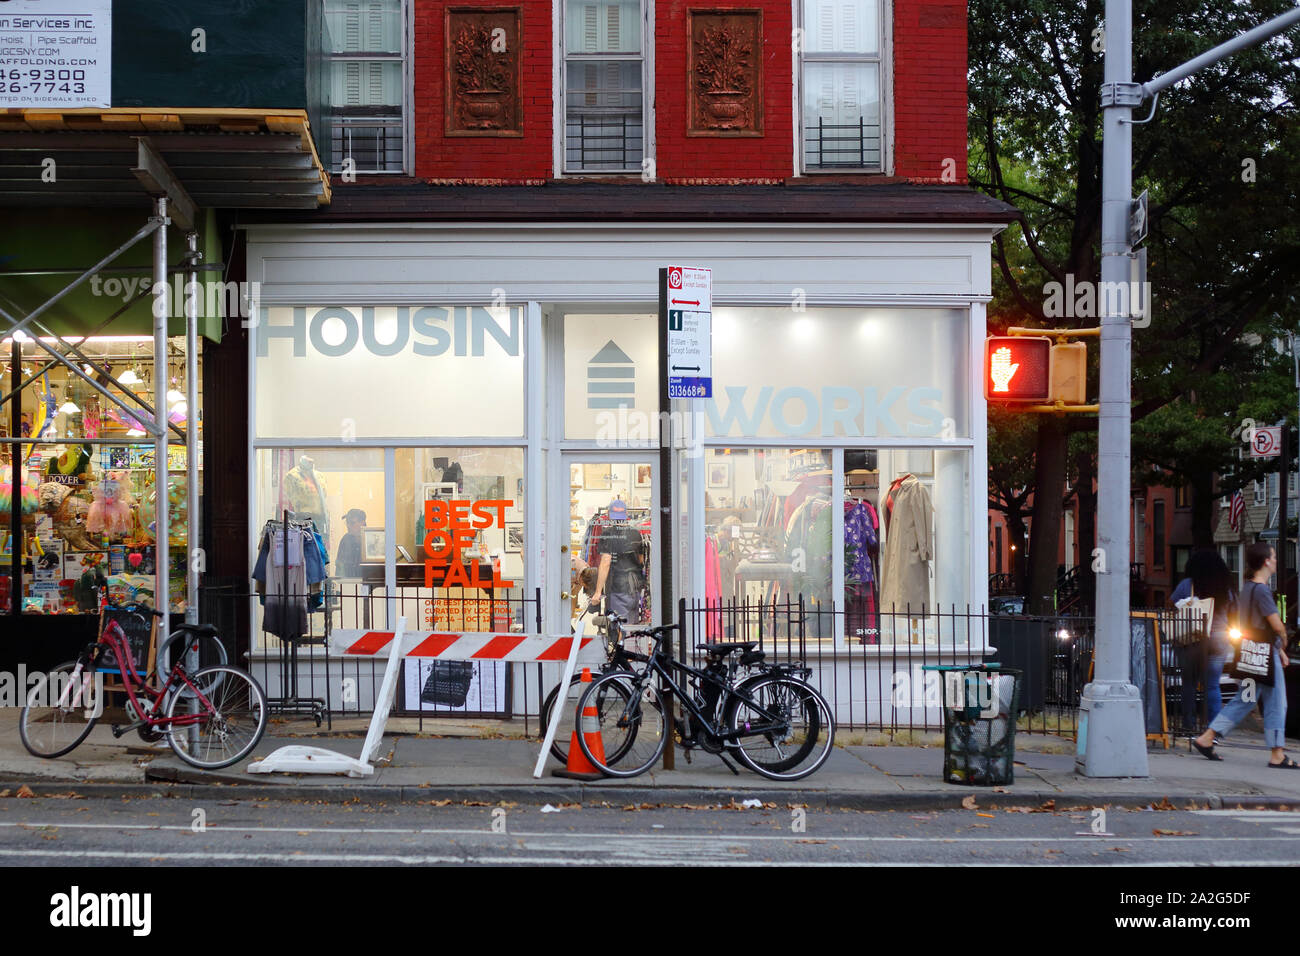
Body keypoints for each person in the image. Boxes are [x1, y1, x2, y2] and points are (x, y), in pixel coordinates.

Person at [1192, 543, 1295, 767]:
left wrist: (1278, 651)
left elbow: (1254, 625)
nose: (1276, 560)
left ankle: (1208, 737)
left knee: (1245, 699)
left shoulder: (1247, 588)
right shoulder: (1263, 590)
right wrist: (1283, 641)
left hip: (1250, 652)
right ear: (1266, 561)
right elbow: (1275, 626)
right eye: (1274, 556)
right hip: (1264, 656)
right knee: (1277, 702)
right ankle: (1277, 755)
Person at [1169, 550, 1234, 724]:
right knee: (1212, 685)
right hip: (1219, 637)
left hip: (1193, 638)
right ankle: (1212, 729)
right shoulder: (1224, 588)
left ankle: (1189, 726)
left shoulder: (1187, 585)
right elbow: (1233, 611)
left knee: (1189, 684)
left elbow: (1172, 605)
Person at [590, 498, 645, 623]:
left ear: (609, 515)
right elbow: (641, 561)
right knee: (633, 629)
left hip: (618, 589)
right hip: (635, 589)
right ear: (626, 515)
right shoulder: (636, 534)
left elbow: (605, 563)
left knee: (619, 630)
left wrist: (598, 592)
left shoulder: (608, 534)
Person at [335, 508, 366, 577]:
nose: (348, 526)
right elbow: (339, 566)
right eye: (347, 523)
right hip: (348, 583)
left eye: (352, 523)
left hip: (367, 583)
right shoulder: (345, 540)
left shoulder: (370, 540)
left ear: (362, 523)